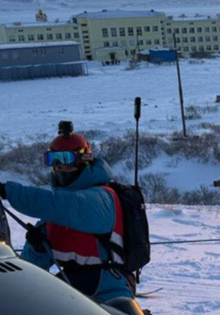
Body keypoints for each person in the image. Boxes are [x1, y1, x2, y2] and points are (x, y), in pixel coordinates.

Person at [0, 121, 135, 305]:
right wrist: (37, 248)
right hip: (71, 291)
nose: (59, 166)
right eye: (53, 159)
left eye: (66, 159)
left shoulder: (101, 199)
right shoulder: (55, 214)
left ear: (84, 160)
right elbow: (31, 270)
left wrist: (8, 191)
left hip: (110, 292)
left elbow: (66, 206)